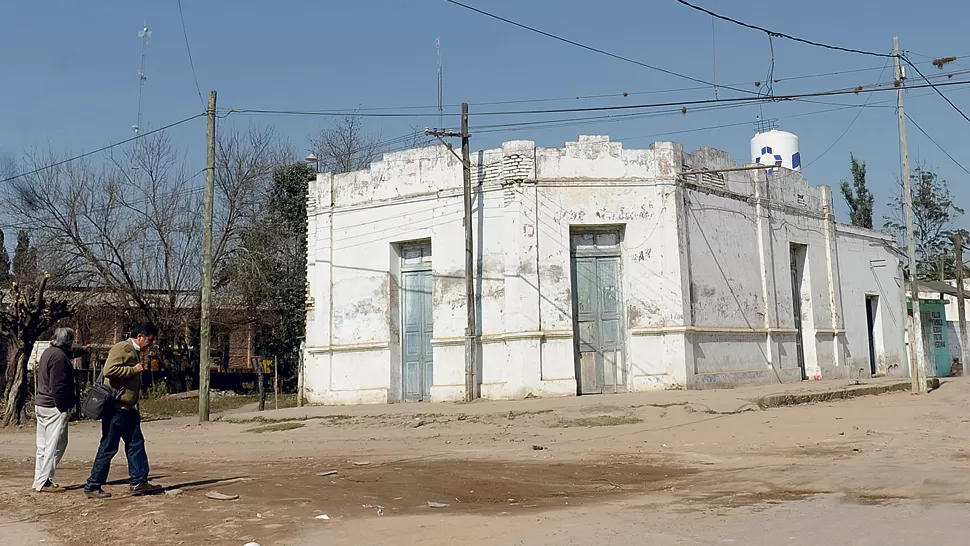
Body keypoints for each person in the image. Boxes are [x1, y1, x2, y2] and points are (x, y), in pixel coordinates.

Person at [83, 323, 161, 499]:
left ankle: (139, 482)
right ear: (140, 336)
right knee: (108, 447)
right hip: (116, 409)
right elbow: (109, 370)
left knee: (136, 444)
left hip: (128, 409)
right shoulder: (122, 347)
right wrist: (134, 370)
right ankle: (93, 485)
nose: (151, 344)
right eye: (150, 339)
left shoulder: (134, 351)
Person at [33, 328, 85, 493]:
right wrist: (64, 406)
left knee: (42, 446)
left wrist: (82, 349)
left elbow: (68, 354)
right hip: (54, 406)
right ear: (67, 341)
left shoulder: (50, 352)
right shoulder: (60, 358)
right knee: (55, 445)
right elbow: (58, 386)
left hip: (41, 403)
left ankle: (38, 480)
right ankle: (44, 481)